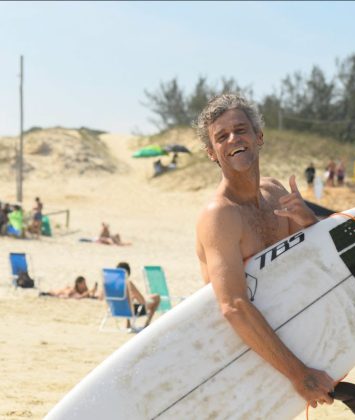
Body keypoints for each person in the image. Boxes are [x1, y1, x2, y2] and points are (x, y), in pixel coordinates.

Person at [194, 94, 335, 409]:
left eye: (241, 129)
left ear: (259, 136)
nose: (234, 139)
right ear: (211, 153)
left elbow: (314, 266)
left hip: (286, 347)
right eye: (222, 137)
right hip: (242, 360)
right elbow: (233, 306)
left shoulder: (275, 193)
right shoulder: (220, 215)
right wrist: (300, 375)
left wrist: (309, 221)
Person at [116, 262, 160, 329]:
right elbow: (142, 301)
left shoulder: (112, 284)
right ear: (128, 273)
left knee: (128, 300)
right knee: (157, 297)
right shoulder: (128, 283)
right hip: (131, 311)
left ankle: (128, 324)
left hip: (116, 309)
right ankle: (147, 324)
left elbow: (101, 297)